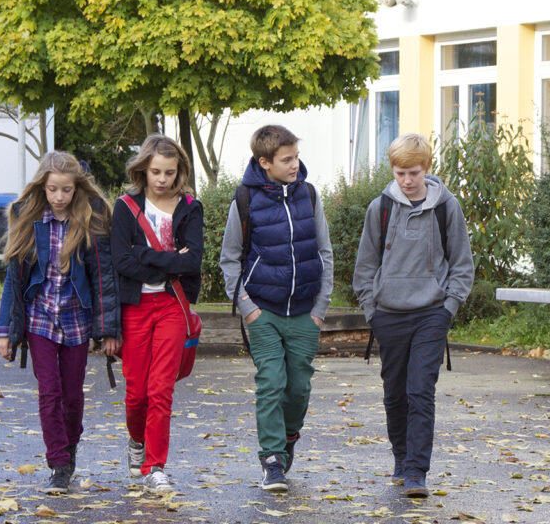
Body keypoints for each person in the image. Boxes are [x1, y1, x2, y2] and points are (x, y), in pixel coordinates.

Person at [352, 133, 474, 498]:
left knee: (421, 391)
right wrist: (371, 309)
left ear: (427, 169)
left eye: (414, 172)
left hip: (431, 313)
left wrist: (448, 307)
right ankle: (401, 459)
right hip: (388, 314)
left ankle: (417, 472)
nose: (407, 180)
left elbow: (462, 263)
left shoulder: (445, 207)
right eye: (400, 172)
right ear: (393, 170)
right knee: (395, 393)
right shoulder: (381, 207)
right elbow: (365, 264)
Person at [0, 151, 121, 495]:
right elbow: (13, 279)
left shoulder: (89, 222)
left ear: (76, 189)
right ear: (43, 188)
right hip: (39, 320)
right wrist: (4, 330)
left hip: (76, 320)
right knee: (49, 392)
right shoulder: (28, 220)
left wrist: (109, 329)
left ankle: (69, 445)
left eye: (66, 190)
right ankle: (59, 464)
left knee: (71, 396)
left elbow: (103, 278)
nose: (60, 197)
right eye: (53, 189)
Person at [219, 124, 333, 493]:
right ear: (264, 162)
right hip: (263, 311)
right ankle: (271, 460)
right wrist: (247, 307)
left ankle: (288, 438)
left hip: (304, 312)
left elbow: (324, 253)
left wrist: (320, 308)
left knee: (298, 388)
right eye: (287, 159)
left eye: (296, 157)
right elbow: (230, 259)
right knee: (271, 382)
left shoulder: (309, 195)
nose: (295, 165)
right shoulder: (245, 199)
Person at [110, 134, 203, 494]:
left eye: (169, 172)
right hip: (134, 307)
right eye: (155, 172)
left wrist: (145, 255)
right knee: (136, 393)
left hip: (171, 306)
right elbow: (121, 261)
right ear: (143, 170)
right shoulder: (125, 206)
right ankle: (136, 442)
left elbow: (192, 260)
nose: (162, 179)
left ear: (179, 171)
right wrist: (169, 263)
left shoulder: (191, 207)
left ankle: (155, 466)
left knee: (161, 388)